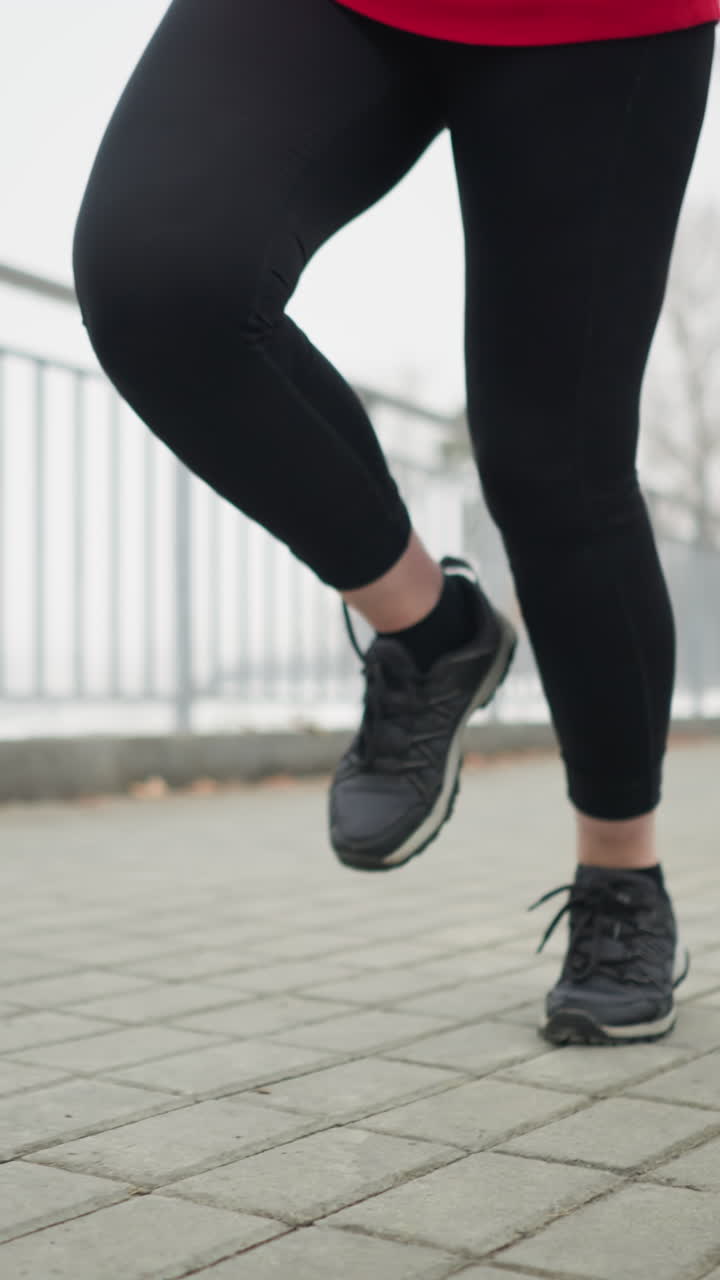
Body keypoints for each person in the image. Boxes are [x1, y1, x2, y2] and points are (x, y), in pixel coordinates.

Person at [72, 0, 717, 1045]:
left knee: (554, 468)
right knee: (159, 281)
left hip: (604, 22)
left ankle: (621, 876)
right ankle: (430, 630)